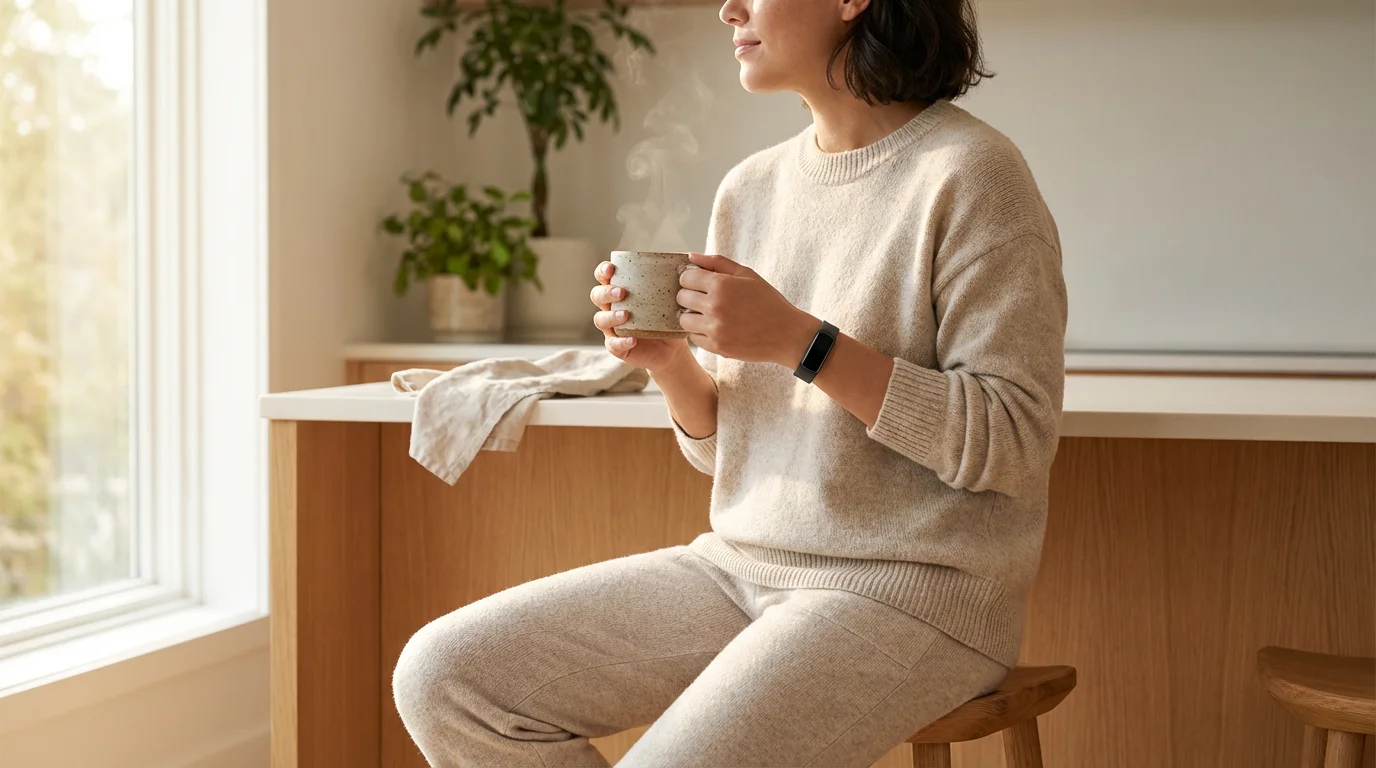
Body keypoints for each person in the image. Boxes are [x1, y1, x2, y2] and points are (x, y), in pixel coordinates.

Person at [392, 0, 1068, 762]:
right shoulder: (750, 189)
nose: (728, 8)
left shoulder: (972, 175)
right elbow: (727, 454)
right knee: (446, 675)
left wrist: (800, 342)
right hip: (737, 569)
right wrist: (671, 367)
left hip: (915, 593)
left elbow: (1013, 439)